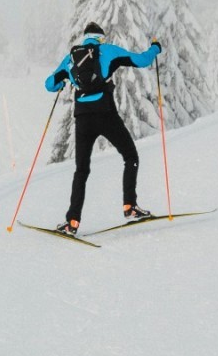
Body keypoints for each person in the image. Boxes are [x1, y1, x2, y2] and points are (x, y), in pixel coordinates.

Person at [45, 22, 162, 235]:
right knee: (130, 156)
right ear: (100, 38)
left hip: (82, 119)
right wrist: (155, 47)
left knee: (81, 170)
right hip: (105, 114)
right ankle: (130, 207)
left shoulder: (71, 58)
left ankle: (72, 222)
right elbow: (142, 60)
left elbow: (49, 84)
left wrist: (61, 83)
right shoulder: (107, 50)